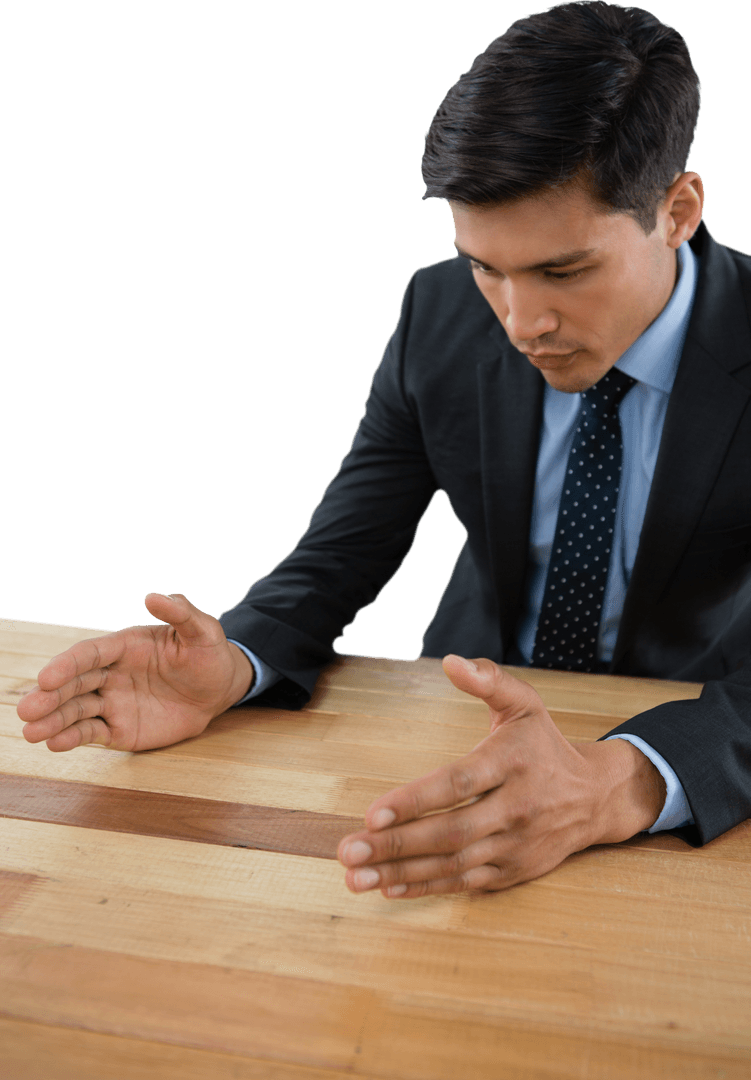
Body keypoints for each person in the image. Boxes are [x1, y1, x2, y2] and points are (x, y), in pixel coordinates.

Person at [17, 1, 751, 900]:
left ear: (676, 210)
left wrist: (624, 779)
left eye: (563, 270)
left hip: (690, 745)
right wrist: (237, 662)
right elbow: (346, 542)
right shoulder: (438, 312)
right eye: (487, 266)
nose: (523, 323)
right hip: (456, 722)